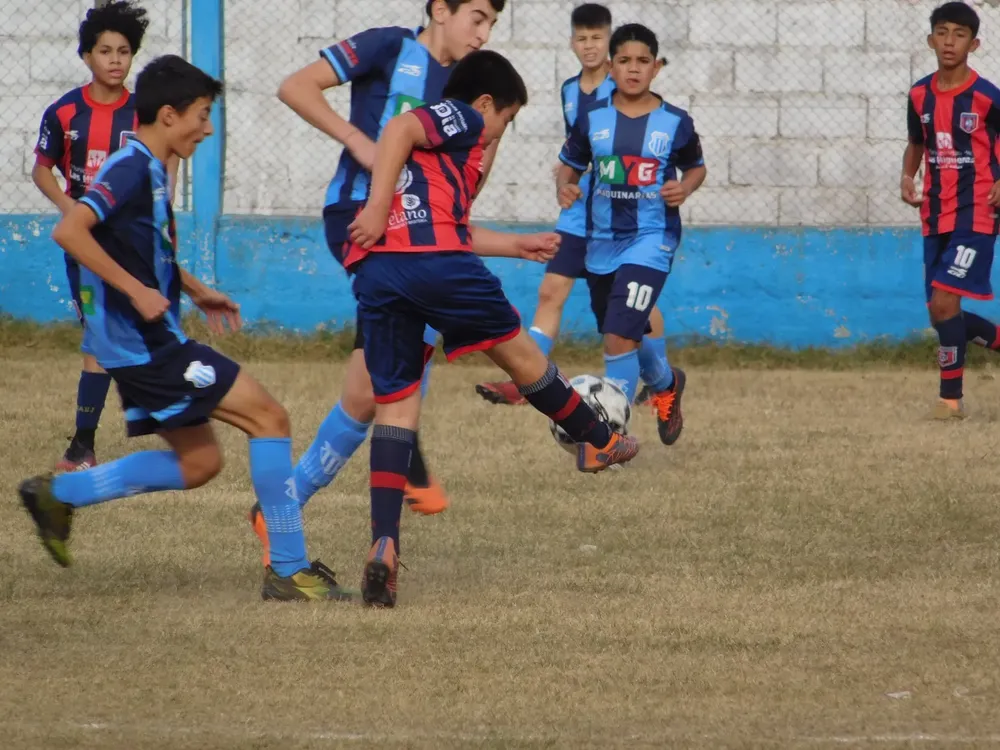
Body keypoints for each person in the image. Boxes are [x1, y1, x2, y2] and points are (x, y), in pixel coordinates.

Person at [18, 55, 353, 603]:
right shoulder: (129, 166)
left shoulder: (150, 167)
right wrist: (137, 290)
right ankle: (288, 570)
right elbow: (72, 232)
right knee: (270, 418)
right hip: (147, 345)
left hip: (140, 343)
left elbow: (135, 245)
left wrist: (190, 286)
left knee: (199, 463)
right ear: (169, 115)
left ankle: (60, 493)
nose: (208, 126)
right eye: (202, 114)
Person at [345, 50, 641, 607]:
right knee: (524, 359)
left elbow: (451, 226)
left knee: (398, 407)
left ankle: (384, 543)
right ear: (485, 104)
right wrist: (379, 203)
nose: (500, 131)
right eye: (508, 118)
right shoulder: (461, 116)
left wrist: (515, 245)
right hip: (432, 264)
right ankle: (600, 440)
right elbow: (401, 125)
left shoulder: (441, 165)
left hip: (381, 272)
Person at [256, 1, 506, 558]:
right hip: (359, 217)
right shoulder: (387, 47)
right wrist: (359, 141)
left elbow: (461, 197)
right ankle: (399, 461)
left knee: (368, 388)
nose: (484, 33)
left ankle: (284, 504)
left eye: (492, 23)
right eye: (478, 17)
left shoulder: (472, 90)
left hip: (417, 238)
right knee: (392, 373)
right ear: (441, 8)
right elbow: (296, 87)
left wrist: (489, 145)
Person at [473, 3, 669, 408]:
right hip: (579, 213)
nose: (590, 46)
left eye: (598, 38)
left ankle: (660, 378)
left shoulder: (623, 91)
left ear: (610, 44)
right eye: (582, 38)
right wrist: (566, 174)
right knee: (551, 290)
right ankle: (530, 378)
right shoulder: (567, 89)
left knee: (633, 306)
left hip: (621, 217)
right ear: (572, 43)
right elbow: (577, 150)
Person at [556, 23, 706, 446]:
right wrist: (564, 186)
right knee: (625, 331)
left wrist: (686, 187)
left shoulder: (675, 122)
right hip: (601, 242)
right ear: (610, 66)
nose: (634, 69)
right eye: (624, 61)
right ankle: (665, 382)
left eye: (643, 61)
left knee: (618, 334)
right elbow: (570, 164)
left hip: (652, 239)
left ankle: (608, 434)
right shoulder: (593, 120)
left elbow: (696, 166)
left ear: (656, 68)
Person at [33, 1, 155, 472]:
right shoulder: (64, 112)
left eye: (124, 51)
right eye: (105, 50)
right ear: (87, 55)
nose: (115, 60)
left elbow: (164, 169)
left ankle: (158, 420)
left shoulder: (145, 113)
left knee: (137, 330)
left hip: (134, 240)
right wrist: (71, 210)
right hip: (85, 244)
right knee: (99, 334)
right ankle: (83, 445)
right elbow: (42, 171)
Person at [902, 1, 1000, 420]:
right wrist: (908, 176)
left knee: (944, 305)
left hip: (977, 212)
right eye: (942, 32)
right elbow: (917, 142)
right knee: (941, 312)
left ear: (974, 44)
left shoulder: (987, 97)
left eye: (959, 34)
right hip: (935, 213)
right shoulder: (919, 94)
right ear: (930, 40)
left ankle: (950, 401)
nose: (949, 41)